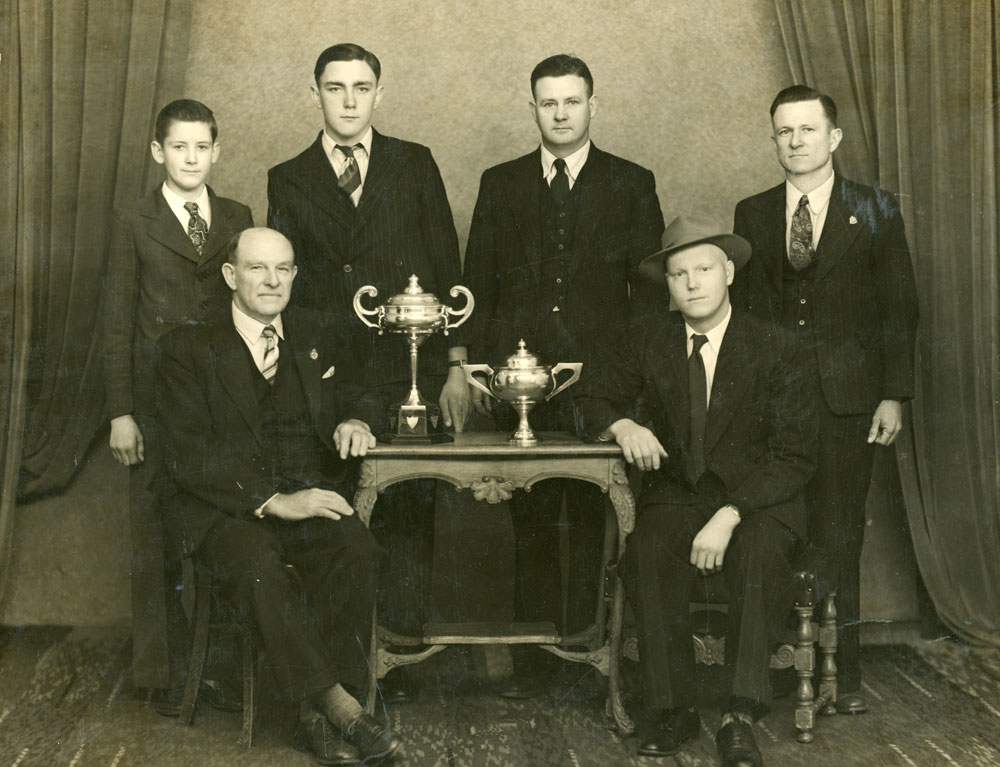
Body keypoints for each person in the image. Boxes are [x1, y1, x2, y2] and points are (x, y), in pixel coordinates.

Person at [575, 216, 817, 767]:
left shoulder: (777, 346)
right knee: (648, 550)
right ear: (667, 283)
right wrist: (623, 426)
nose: (691, 283)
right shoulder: (648, 338)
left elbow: (795, 454)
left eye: (704, 269)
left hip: (760, 500)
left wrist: (732, 512)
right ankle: (673, 708)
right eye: (678, 273)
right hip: (679, 495)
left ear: (728, 271)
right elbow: (590, 397)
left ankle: (740, 711)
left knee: (757, 555)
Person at [156, 227, 400, 766]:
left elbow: (364, 386)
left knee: (357, 552)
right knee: (261, 565)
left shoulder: (316, 332)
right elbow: (188, 454)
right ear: (230, 275)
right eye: (256, 268)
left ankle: (312, 717)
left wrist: (357, 417)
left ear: (294, 275)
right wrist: (272, 501)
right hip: (226, 510)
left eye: (283, 269)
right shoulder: (185, 347)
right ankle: (340, 706)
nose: (271, 281)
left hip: (306, 494)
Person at [462, 53, 665, 697]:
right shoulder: (500, 183)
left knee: (589, 517)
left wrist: (630, 388)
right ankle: (535, 657)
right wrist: (477, 369)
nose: (560, 113)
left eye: (571, 102)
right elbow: (478, 282)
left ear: (592, 105)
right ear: (533, 108)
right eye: (548, 102)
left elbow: (650, 298)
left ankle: (586, 648)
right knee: (528, 518)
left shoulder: (631, 182)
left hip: (603, 388)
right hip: (518, 383)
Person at [267, 46, 467, 693]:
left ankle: (404, 653)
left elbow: (445, 266)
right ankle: (349, 666)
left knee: (408, 505)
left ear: (379, 93)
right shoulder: (288, 176)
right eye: (335, 87)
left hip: (403, 370)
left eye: (361, 87)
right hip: (321, 378)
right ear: (315, 93)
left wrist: (452, 368)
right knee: (338, 510)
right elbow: (281, 289)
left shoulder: (414, 164)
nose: (348, 100)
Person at [731, 85, 919, 713]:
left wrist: (893, 396)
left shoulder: (875, 208)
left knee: (840, 532)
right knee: (779, 526)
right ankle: (783, 665)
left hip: (849, 404)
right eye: (784, 131)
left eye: (808, 130)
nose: (795, 142)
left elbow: (899, 310)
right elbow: (747, 316)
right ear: (773, 138)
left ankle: (846, 678)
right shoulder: (752, 213)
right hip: (774, 406)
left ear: (833, 138)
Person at [102, 99, 253, 709]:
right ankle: (162, 675)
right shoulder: (134, 219)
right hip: (155, 403)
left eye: (202, 147)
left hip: (221, 398)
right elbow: (116, 321)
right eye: (179, 148)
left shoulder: (238, 215)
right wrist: (121, 411)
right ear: (158, 152)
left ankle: (219, 667)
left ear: (216, 151)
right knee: (157, 537)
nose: (191, 158)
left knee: (224, 526)